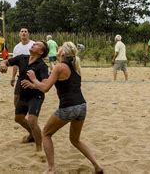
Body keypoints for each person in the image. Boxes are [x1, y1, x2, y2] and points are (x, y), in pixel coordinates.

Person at [21, 42, 103, 174]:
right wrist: (35, 85)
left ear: (62, 53)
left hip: (68, 107)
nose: (58, 48)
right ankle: (97, 166)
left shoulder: (59, 67)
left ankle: (51, 169)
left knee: (46, 134)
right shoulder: (75, 67)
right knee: (75, 140)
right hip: (82, 106)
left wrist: (34, 79)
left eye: (61, 47)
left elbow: (45, 88)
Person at [0, 41, 49, 152]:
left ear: (41, 51)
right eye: (34, 43)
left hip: (36, 96)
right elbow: (5, 62)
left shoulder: (42, 66)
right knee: (18, 118)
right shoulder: (22, 58)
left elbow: (45, 85)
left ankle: (39, 149)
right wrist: (3, 65)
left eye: (37, 44)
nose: (33, 44)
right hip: (23, 95)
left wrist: (33, 85)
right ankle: (32, 134)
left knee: (32, 120)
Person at [11, 28, 35, 106]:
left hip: (33, 75)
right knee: (16, 96)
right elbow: (15, 64)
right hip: (21, 76)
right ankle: (18, 113)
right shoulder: (17, 47)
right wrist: (13, 77)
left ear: (28, 34)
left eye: (25, 31)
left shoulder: (33, 45)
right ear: (19, 34)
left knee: (31, 97)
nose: (24, 33)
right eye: (22, 31)